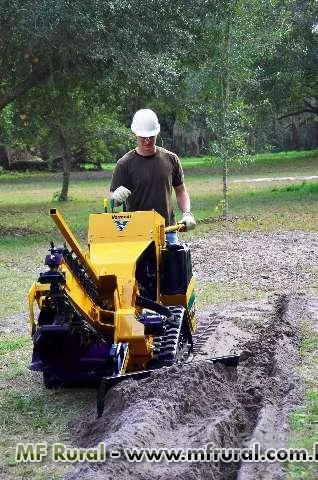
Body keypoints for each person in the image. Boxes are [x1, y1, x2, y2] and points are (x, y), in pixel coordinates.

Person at [109, 108, 196, 243]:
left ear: (157, 133)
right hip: (136, 232)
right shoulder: (124, 164)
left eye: (151, 136)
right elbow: (112, 198)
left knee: (175, 263)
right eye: (143, 137)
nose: (147, 141)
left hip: (167, 231)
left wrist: (187, 213)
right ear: (134, 134)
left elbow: (181, 191)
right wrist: (115, 199)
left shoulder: (171, 159)